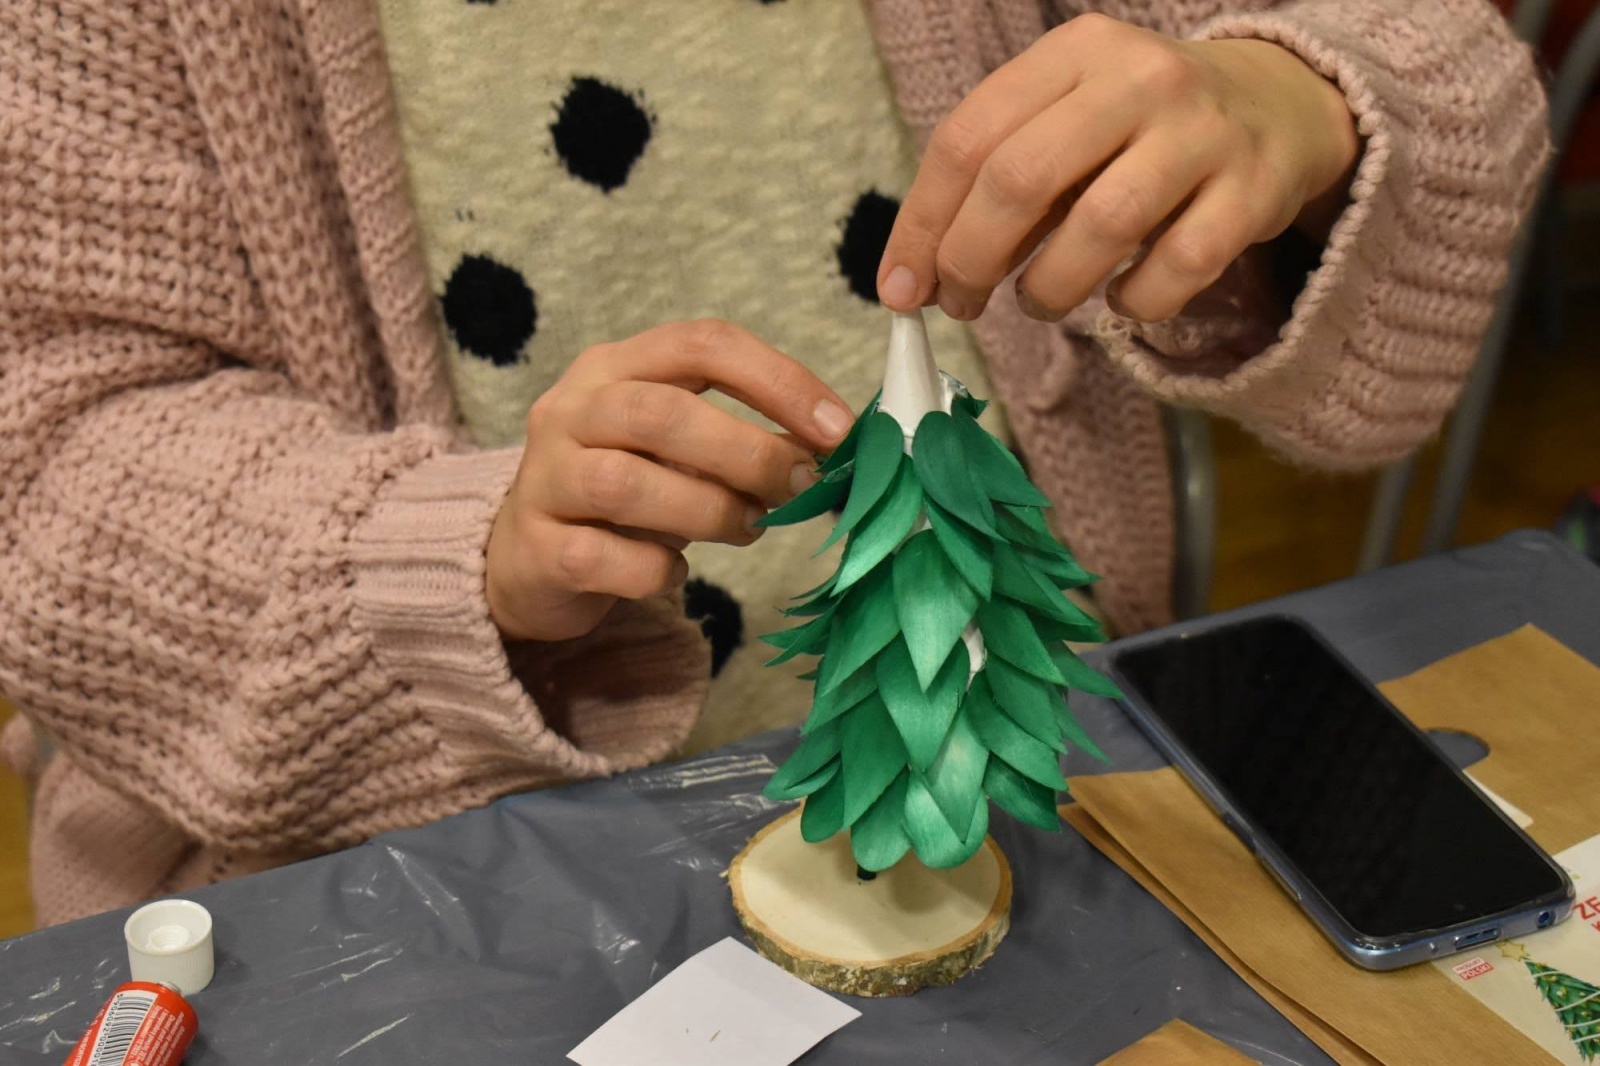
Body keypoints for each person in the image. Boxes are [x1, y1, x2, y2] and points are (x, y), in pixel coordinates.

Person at [0, 0, 1546, 926]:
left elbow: (1414, 55)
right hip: (395, 891)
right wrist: (449, 560)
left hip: (1048, 828)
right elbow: (58, 449)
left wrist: (1297, 95)